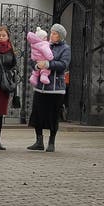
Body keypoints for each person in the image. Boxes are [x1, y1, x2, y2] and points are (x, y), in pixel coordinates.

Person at [27, 23, 71, 153]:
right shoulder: (44, 44)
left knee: (53, 115)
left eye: (55, 33)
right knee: (38, 113)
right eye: (51, 32)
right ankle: (39, 141)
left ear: (60, 36)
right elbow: (33, 58)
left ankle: (51, 142)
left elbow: (63, 64)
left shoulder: (65, 48)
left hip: (55, 88)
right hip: (41, 87)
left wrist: (47, 64)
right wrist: (36, 66)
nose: (52, 35)